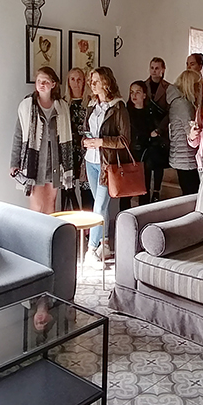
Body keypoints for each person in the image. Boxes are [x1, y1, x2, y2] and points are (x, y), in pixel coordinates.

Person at [82, 67, 131, 262]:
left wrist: (101, 142)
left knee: (99, 206)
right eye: (91, 81)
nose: (92, 84)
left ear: (107, 82)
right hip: (90, 161)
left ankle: (91, 249)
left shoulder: (118, 107)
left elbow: (125, 140)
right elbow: (86, 130)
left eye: (96, 81)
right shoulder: (91, 105)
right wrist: (85, 141)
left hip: (107, 164)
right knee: (101, 207)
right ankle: (106, 244)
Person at [10, 66, 75, 214]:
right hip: (34, 161)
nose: (42, 84)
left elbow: (67, 137)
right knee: (37, 205)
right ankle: (35, 229)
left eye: (45, 81)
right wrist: (14, 163)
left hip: (55, 161)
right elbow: (19, 135)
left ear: (53, 84)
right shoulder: (27, 106)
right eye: (39, 81)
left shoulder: (62, 106)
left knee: (51, 203)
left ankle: (50, 229)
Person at [122, 80, 160, 208]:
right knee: (126, 191)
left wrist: (154, 133)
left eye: (137, 92)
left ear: (144, 95)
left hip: (145, 154)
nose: (134, 95)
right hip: (129, 154)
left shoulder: (150, 111)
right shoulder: (126, 112)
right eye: (131, 92)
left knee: (144, 189)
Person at [62, 66, 93, 211]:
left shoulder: (90, 102)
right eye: (73, 79)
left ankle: (88, 223)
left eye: (79, 79)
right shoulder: (63, 103)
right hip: (68, 150)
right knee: (68, 190)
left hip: (86, 150)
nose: (76, 82)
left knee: (86, 189)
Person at [169, 70, 201, 194]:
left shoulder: (177, 102)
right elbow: (191, 131)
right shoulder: (184, 105)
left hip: (181, 155)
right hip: (186, 157)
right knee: (191, 194)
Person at [145, 57, 171, 201]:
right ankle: (146, 191)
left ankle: (156, 191)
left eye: (157, 68)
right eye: (152, 68)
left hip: (161, 129)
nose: (154, 71)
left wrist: (160, 129)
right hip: (147, 128)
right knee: (147, 162)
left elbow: (170, 112)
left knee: (159, 163)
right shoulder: (143, 86)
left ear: (163, 70)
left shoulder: (168, 88)